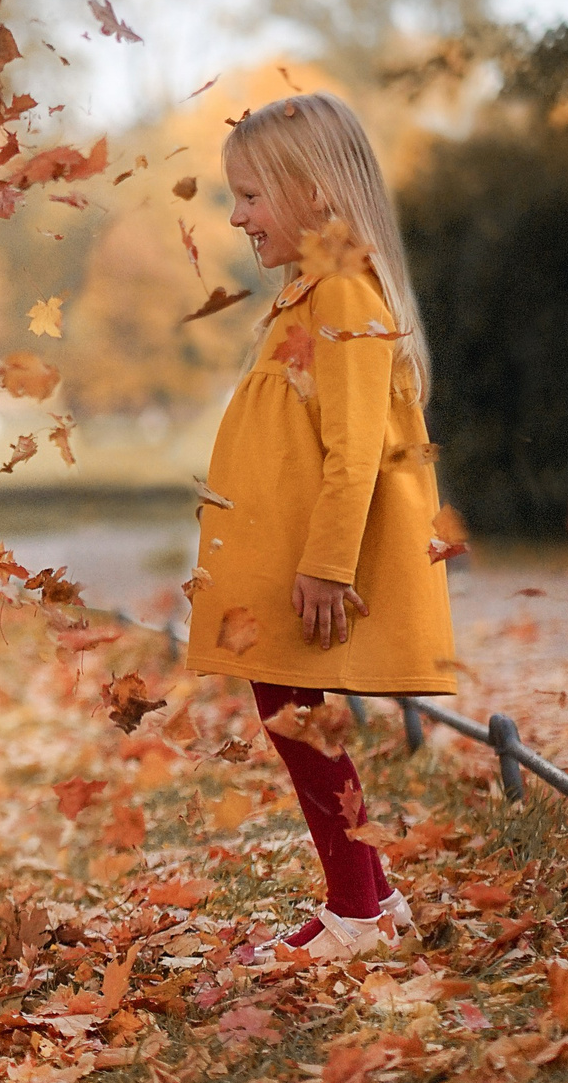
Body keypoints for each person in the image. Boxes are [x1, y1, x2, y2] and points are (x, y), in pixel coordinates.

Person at [183, 91, 457, 961]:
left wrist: (330, 564)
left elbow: (358, 450)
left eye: (252, 195)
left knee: (299, 723)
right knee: (294, 716)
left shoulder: (341, 290)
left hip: (307, 563)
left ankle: (357, 910)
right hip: (280, 556)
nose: (237, 216)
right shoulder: (308, 294)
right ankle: (372, 894)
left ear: (316, 192)